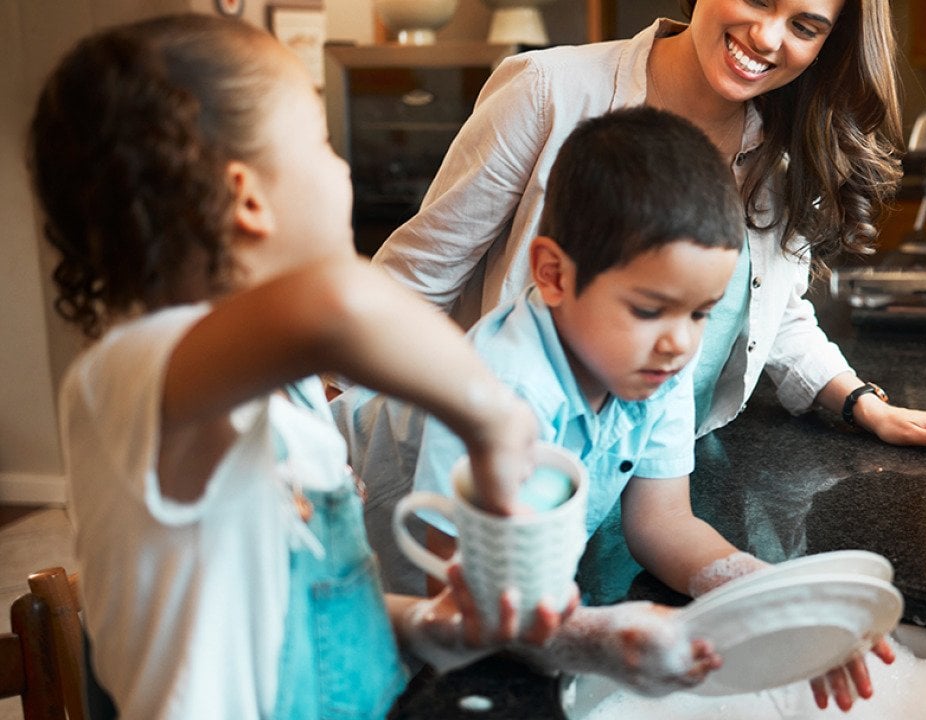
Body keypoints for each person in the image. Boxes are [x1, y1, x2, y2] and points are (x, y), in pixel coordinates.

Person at [28, 14, 564, 719]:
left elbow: (311, 603)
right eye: (321, 141)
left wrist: (433, 625)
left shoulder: (291, 400)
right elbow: (335, 303)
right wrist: (494, 424)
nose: (341, 166)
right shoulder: (130, 374)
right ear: (247, 197)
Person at [335, 106, 891, 710]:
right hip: (375, 603)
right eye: (649, 309)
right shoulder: (502, 390)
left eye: (699, 312)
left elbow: (663, 525)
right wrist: (595, 638)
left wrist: (770, 601)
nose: (679, 341)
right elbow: (465, 599)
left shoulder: (653, 365)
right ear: (552, 275)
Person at [370, 0, 926, 454]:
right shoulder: (547, 90)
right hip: (501, 468)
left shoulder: (789, 149)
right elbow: (412, 283)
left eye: (805, 25)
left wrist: (860, 402)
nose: (767, 37)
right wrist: (320, 445)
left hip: (662, 476)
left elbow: (772, 312)